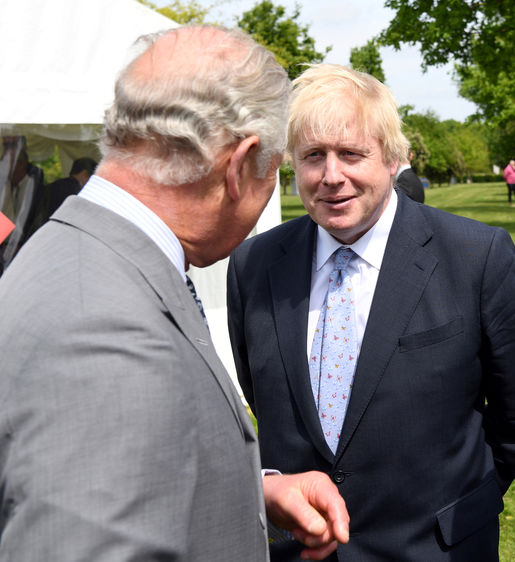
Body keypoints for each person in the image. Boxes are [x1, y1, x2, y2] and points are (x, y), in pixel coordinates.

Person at [0, 26, 348, 561]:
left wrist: (248, 491)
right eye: (274, 173)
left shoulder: (80, 257)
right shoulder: (106, 334)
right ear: (239, 165)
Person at [227, 63, 515, 561]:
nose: (332, 176)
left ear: (392, 158)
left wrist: (462, 506)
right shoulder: (254, 265)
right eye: (314, 156)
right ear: (292, 164)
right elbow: (261, 395)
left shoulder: (476, 257)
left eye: (351, 154)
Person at [0, 141, 45, 272]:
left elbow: (33, 222)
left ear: (20, 164)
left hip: (24, 252)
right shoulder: (6, 187)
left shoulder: (34, 189)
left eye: (6, 162)